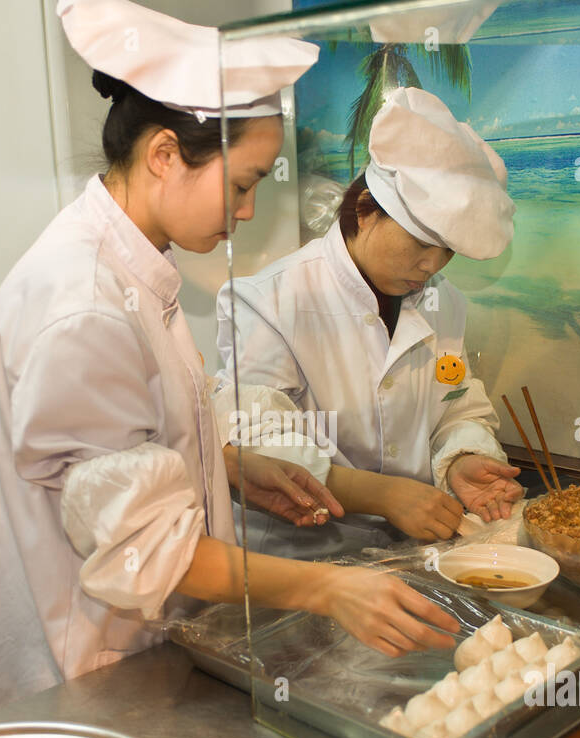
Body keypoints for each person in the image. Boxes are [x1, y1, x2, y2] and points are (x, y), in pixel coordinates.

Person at [0, 1, 457, 726]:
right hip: (73, 680)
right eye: (243, 183)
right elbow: (148, 551)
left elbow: (120, 450)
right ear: (163, 154)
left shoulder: (130, 267)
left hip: (125, 658)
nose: (247, 211)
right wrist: (328, 588)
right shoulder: (84, 304)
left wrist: (232, 466)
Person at [216, 87, 524, 560]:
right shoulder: (268, 301)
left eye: (447, 251)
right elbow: (259, 444)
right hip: (300, 557)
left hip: (409, 550)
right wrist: (383, 495)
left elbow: (456, 402)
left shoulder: (444, 305)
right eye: (421, 243)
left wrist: (463, 459)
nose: (431, 265)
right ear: (363, 210)